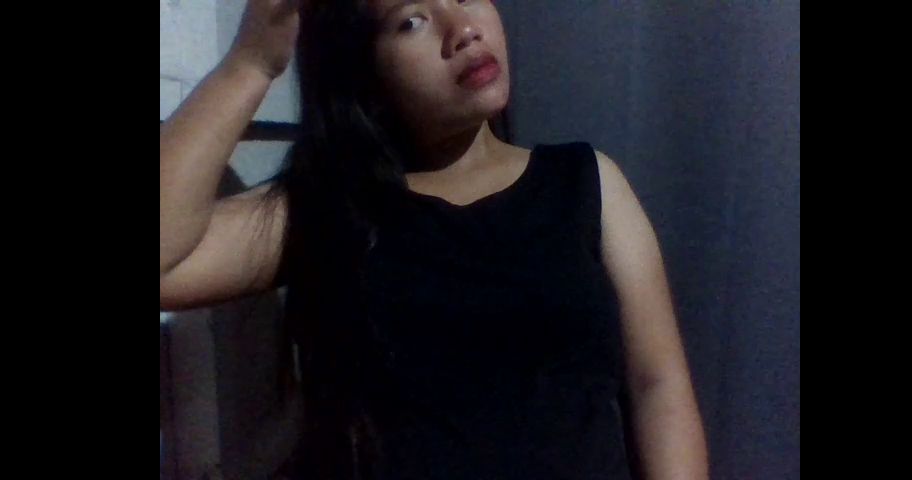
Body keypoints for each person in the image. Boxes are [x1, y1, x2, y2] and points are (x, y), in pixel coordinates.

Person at [159, 1, 708, 478]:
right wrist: (250, 65)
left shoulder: (586, 183)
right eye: (412, 21)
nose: (462, 29)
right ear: (365, 72)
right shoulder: (331, 208)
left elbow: (657, 383)